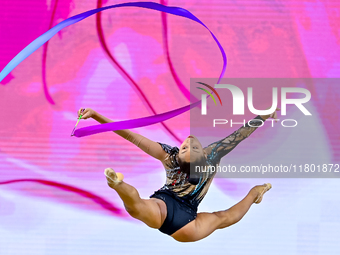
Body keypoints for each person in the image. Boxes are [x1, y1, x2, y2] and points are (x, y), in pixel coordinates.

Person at [77, 107, 278, 242]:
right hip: (180, 215)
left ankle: (118, 184)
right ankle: (118, 184)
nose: (188, 142)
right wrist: (96, 116)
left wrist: (96, 116)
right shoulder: (208, 154)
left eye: (188, 148)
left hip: (171, 209)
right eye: (187, 147)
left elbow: (241, 134)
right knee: (223, 217)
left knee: (138, 208)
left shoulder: (171, 156)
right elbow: (131, 136)